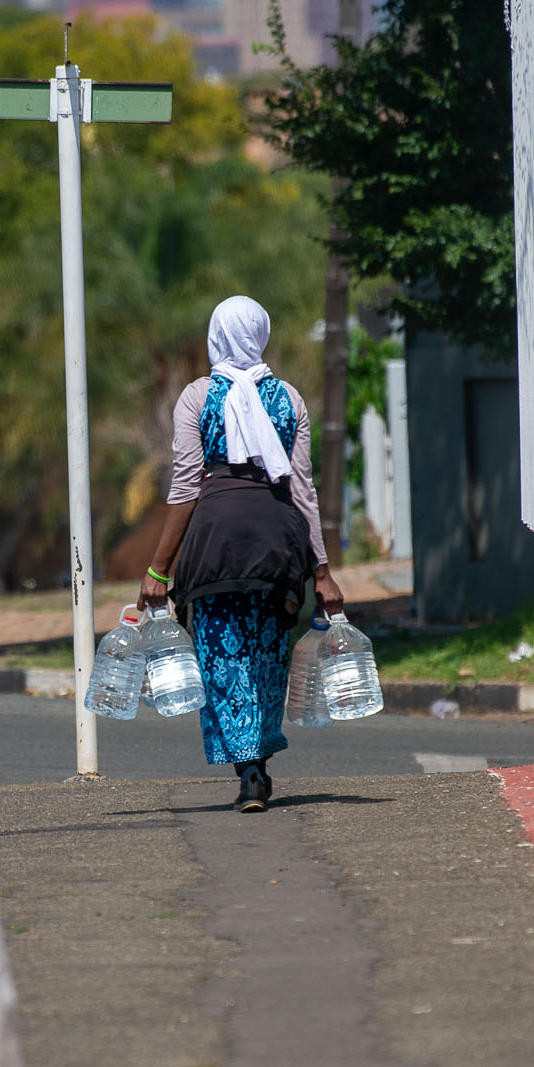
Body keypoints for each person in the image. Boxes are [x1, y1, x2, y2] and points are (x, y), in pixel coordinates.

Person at [137, 295, 342, 812]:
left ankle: (247, 771)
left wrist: (157, 569)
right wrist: (321, 572)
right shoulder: (289, 398)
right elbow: (302, 490)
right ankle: (258, 768)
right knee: (267, 655)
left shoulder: (197, 397)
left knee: (221, 655)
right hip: (277, 540)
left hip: (213, 540)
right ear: (262, 335)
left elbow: (185, 486)